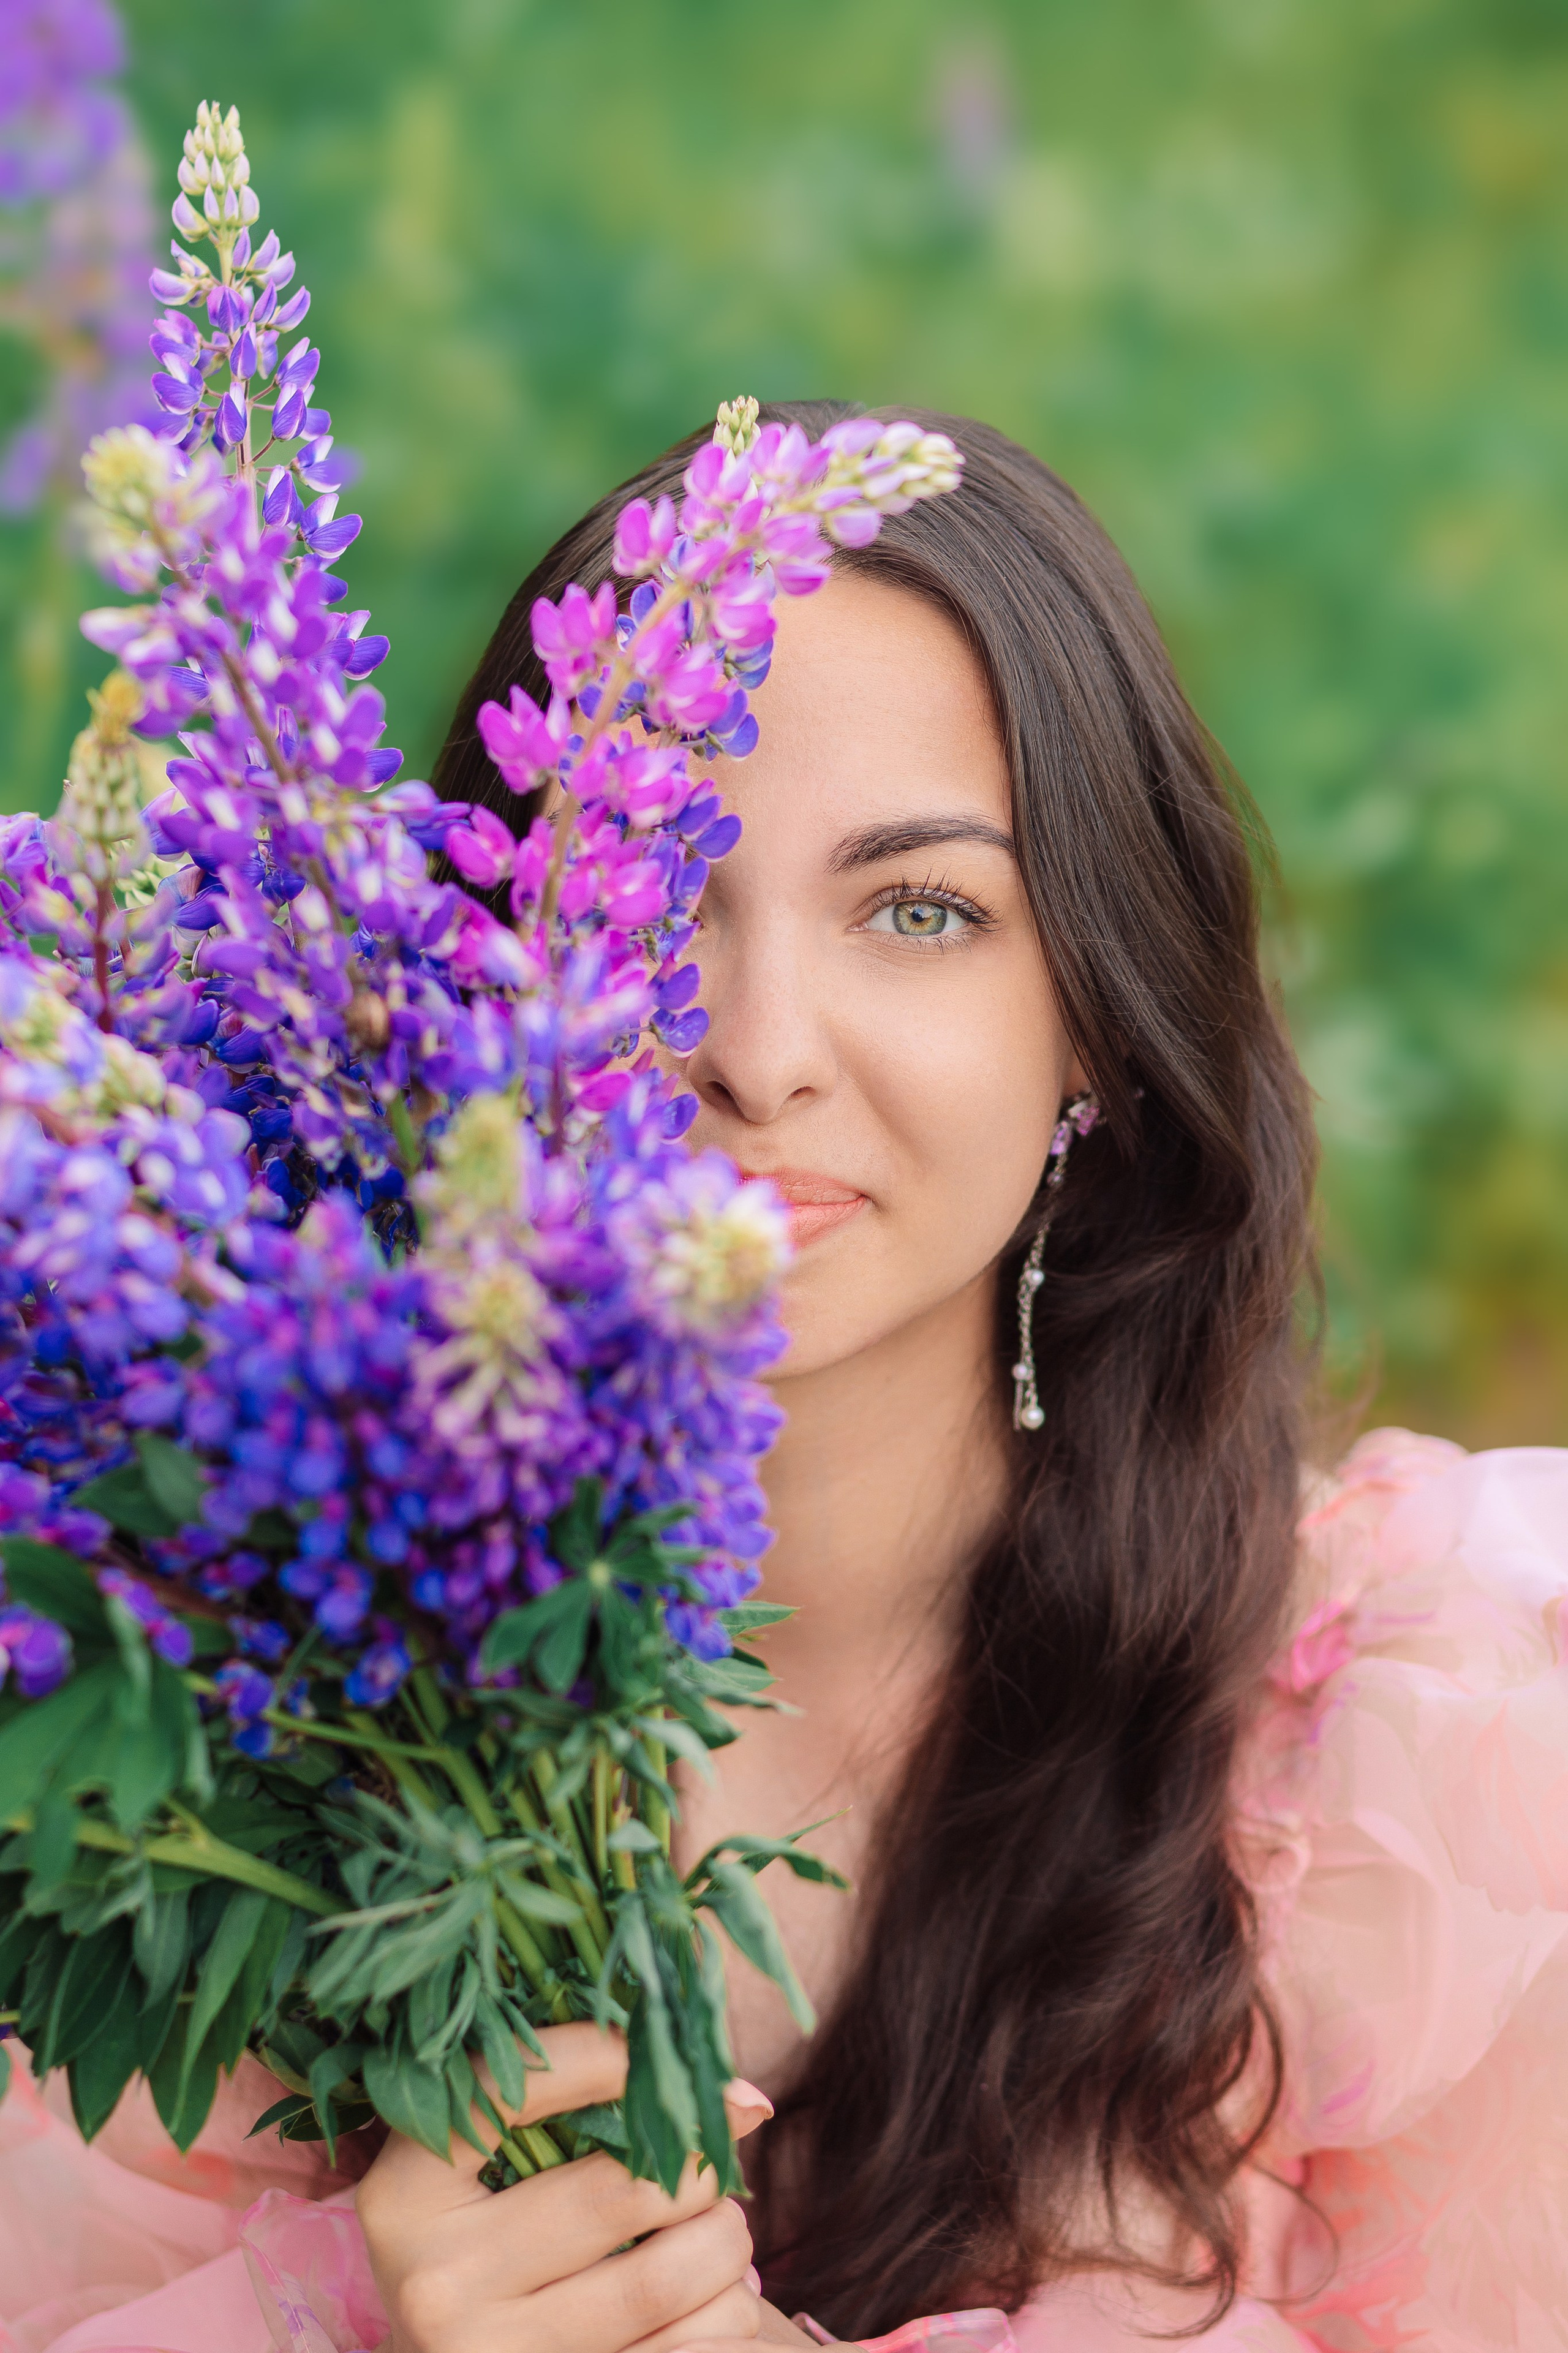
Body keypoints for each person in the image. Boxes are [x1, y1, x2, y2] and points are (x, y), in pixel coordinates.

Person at [4, 407, 1566, 2353]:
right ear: (462, 981)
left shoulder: (1434, 1753)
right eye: (656, 899)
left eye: (918, 910)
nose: (756, 1052)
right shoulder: (239, 1739)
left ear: (1093, 1018)